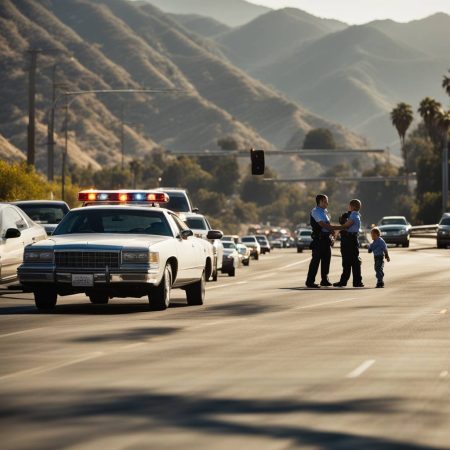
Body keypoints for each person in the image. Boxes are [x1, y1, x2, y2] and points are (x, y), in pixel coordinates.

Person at [305, 194, 339, 288]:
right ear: (318, 202)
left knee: (326, 260)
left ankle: (324, 280)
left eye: (327, 201)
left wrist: (332, 234)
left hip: (325, 239)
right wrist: (333, 230)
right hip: (319, 239)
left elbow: (327, 223)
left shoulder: (325, 211)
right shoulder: (315, 211)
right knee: (315, 261)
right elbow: (322, 224)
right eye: (324, 201)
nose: (326, 203)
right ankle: (310, 281)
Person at [333, 199, 364, 288]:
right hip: (350, 239)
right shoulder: (355, 215)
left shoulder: (354, 216)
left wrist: (333, 227)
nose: (348, 207)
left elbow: (346, 226)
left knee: (351, 261)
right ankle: (353, 281)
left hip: (349, 240)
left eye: (349, 206)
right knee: (350, 261)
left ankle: (353, 282)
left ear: (352, 207)